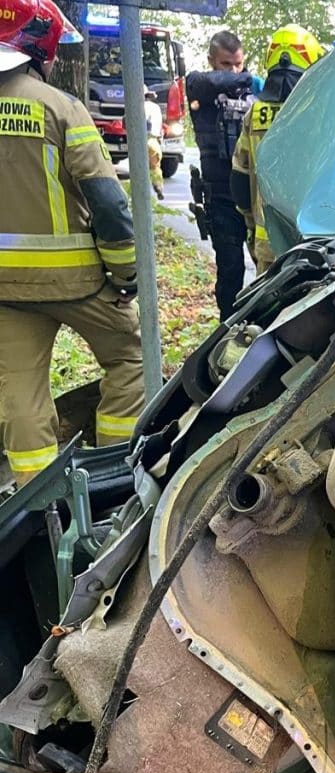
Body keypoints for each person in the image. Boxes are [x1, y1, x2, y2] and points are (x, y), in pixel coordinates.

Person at [0, 0, 144, 484]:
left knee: (20, 393)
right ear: (39, 47)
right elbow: (108, 203)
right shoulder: (62, 108)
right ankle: (114, 476)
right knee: (131, 359)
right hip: (78, 284)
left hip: (4, 291)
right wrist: (126, 275)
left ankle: (37, 504)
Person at [231, 24, 324, 274]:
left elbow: (239, 180)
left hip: (268, 247)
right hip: (319, 246)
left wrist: (252, 224)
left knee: (269, 311)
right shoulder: (323, 111)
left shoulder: (255, 114)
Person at [186, 31, 260, 320]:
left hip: (253, 195)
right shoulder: (199, 88)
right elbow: (208, 81)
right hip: (221, 197)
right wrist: (247, 79)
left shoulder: (252, 94)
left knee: (267, 265)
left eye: (238, 64)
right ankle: (227, 330)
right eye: (226, 64)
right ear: (211, 61)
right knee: (231, 270)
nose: (233, 70)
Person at [144, 85, 164, 200]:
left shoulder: (137, 106)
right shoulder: (156, 107)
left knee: (139, 169)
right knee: (155, 167)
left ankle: (141, 193)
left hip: (141, 141)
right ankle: (159, 187)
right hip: (154, 142)